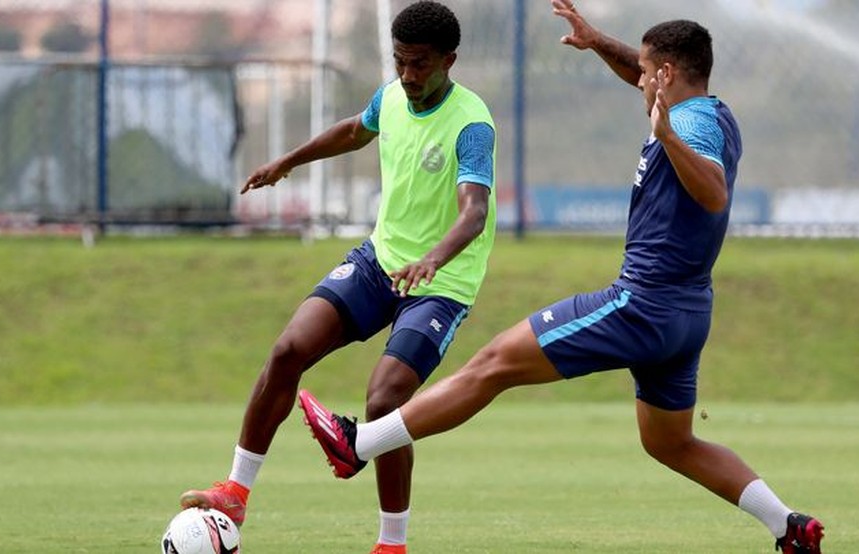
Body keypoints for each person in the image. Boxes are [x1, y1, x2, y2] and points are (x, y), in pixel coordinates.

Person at [298, 1, 824, 552]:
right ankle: (788, 525)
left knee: (494, 363)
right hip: (688, 315)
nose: (639, 78)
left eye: (647, 71)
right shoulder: (713, 111)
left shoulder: (685, 124)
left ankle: (358, 444)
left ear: (666, 76)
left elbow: (713, 194)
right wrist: (598, 42)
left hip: (641, 305)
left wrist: (666, 134)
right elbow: (645, 81)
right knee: (672, 443)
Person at [179, 3, 497, 554]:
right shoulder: (393, 96)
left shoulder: (472, 123)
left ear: (450, 60)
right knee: (286, 351)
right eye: (400, 62)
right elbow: (356, 130)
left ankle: (391, 545)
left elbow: (474, 211)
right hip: (381, 262)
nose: (408, 75)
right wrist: (289, 161)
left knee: (384, 405)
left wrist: (434, 261)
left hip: (441, 284)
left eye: (420, 64)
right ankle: (235, 491)